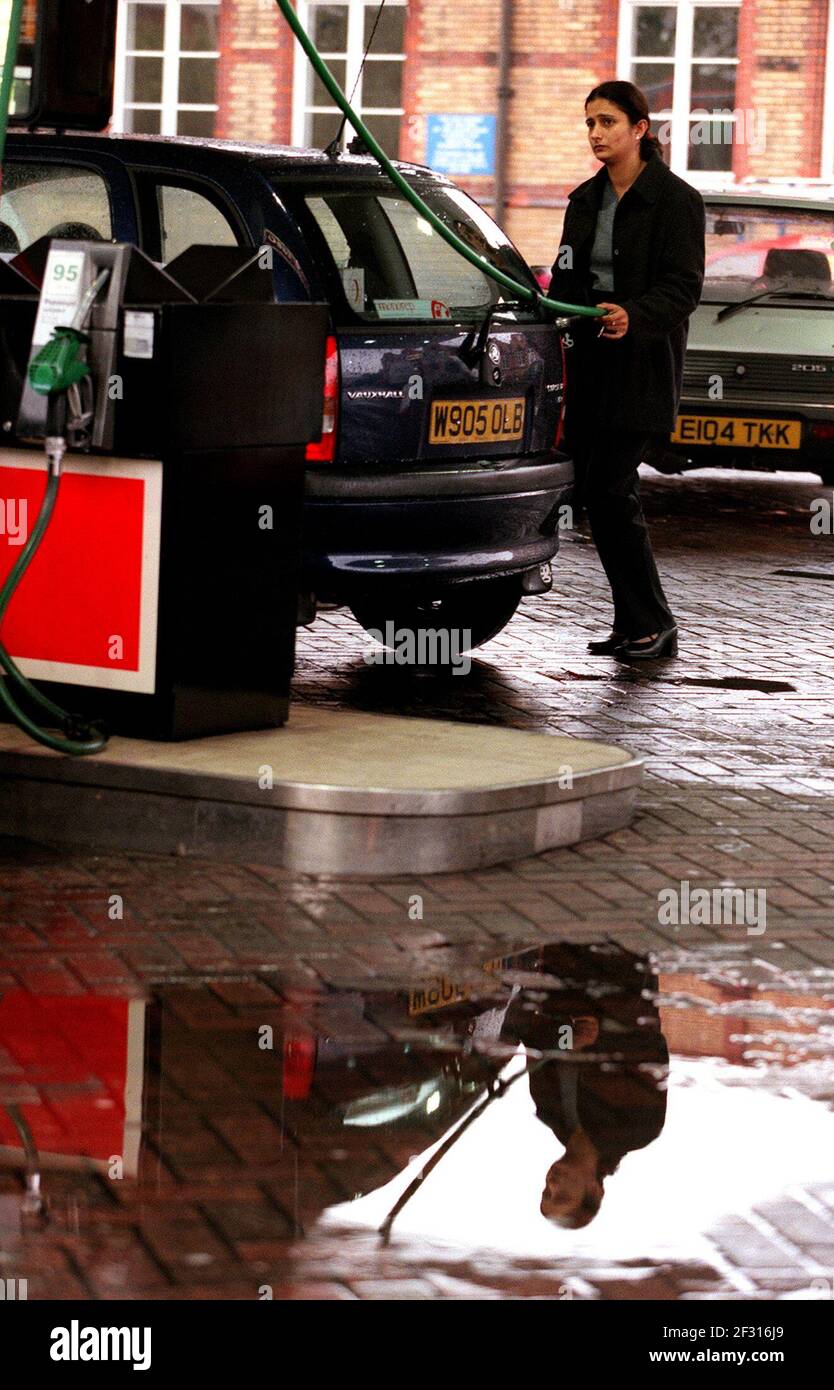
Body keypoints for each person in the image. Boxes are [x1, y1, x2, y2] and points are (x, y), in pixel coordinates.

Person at [550, 81, 705, 660]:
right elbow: (566, 281)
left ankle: (650, 621)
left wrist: (632, 316)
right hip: (590, 364)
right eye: (589, 122)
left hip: (642, 364)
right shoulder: (584, 201)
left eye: (608, 122)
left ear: (640, 129)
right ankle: (638, 621)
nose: (596, 134)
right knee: (601, 493)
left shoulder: (676, 201)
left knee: (609, 487)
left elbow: (683, 287)